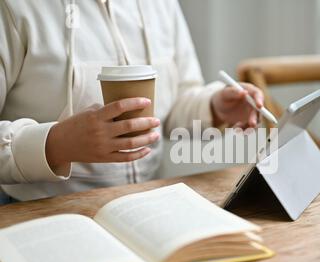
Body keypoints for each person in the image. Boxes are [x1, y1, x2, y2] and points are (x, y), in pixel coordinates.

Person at [0, 0, 265, 203]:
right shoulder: (14, 8)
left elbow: (174, 105)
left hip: (148, 205)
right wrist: (56, 145)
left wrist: (214, 107)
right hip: (43, 213)